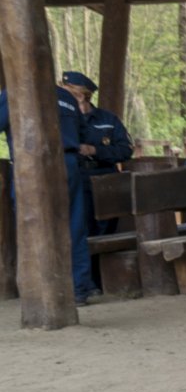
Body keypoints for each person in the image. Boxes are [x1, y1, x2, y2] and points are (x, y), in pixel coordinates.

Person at [0, 73, 95, 302]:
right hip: (68, 164)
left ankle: (40, 290)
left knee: (32, 224)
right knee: (74, 225)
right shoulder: (68, 97)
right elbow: (83, 131)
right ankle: (79, 289)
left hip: (31, 165)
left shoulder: (12, 93)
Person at [63, 71, 134, 237]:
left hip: (106, 178)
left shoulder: (108, 120)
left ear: (81, 95)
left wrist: (95, 150)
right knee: (82, 230)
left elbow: (125, 149)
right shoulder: (64, 119)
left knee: (107, 230)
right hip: (78, 177)